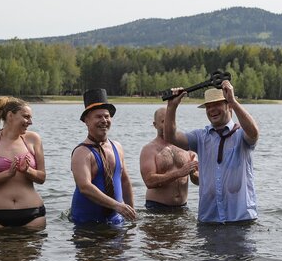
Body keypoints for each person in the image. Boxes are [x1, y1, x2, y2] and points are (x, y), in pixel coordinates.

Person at [163, 81, 260, 224]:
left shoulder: (241, 134)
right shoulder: (201, 136)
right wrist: (172, 107)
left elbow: (254, 133)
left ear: (229, 107)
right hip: (208, 220)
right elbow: (171, 137)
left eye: (217, 104)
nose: (212, 109)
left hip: (241, 220)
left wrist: (233, 100)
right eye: (208, 106)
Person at [0, 97, 46, 229]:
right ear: (10, 116)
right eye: (26, 117)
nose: (30, 122)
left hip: (32, 215)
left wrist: (27, 170)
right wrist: (7, 174)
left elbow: (42, 178)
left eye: (30, 118)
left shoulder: (33, 139)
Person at [70, 88, 136, 225]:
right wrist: (117, 206)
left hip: (116, 219)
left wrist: (132, 213)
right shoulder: (81, 153)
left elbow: (125, 181)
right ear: (86, 121)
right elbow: (85, 187)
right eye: (98, 116)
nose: (104, 120)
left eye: (107, 116)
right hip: (87, 223)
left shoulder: (117, 147)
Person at [139, 107, 199, 212]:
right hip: (157, 208)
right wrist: (178, 173)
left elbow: (197, 181)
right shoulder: (149, 150)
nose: (167, 125)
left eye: (169, 121)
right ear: (155, 125)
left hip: (183, 207)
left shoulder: (185, 147)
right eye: (163, 121)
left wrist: (194, 174)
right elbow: (149, 181)